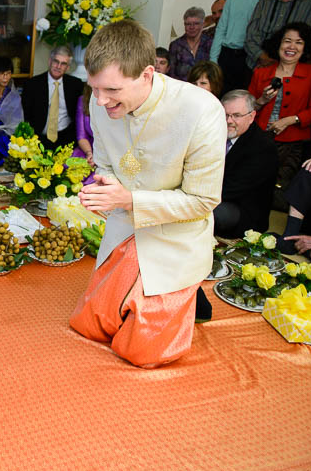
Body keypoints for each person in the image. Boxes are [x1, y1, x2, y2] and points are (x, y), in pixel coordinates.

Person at [69, 20, 225, 368]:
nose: (100, 100)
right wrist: (103, 187)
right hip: (126, 228)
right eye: (93, 88)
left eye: (111, 90)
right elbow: (107, 163)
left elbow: (203, 202)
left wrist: (128, 200)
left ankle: (185, 295)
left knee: (140, 352)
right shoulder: (99, 102)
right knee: (89, 326)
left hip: (175, 238)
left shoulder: (201, 111)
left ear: (147, 74)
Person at [248, 22, 311, 209]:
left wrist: (291, 120)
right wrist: (261, 100)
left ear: (305, 47)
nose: (292, 47)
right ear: (279, 44)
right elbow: (247, 107)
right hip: (259, 140)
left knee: (278, 194)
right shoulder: (261, 73)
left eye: (298, 42)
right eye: (287, 41)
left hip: (291, 144)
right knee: (253, 188)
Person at [210, 0, 277, 94]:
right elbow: (221, 29)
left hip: (252, 57)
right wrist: (213, 60)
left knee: (244, 99)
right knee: (220, 97)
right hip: (227, 55)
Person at [213, 90, 279, 237]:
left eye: (236, 115)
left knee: (204, 212)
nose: (229, 121)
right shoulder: (215, 134)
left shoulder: (263, 148)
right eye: (225, 115)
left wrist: (194, 197)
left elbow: (232, 188)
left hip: (242, 211)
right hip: (214, 194)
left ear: (251, 116)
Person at [21, 45, 85, 150]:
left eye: (63, 63)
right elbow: (25, 116)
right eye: (56, 61)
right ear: (50, 61)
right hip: (39, 139)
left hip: (67, 139)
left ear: (68, 67)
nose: (58, 66)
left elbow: (79, 115)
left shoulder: (76, 85)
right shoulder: (32, 84)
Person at [168, 7, 213, 80]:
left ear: (203, 24)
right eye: (188, 24)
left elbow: (214, 71)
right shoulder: (175, 45)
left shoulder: (210, 43)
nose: (192, 27)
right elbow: (171, 73)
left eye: (196, 23)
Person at [72, 85, 96, 185]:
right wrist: (89, 153)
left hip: (110, 151)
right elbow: (81, 136)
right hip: (88, 148)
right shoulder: (83, 100)